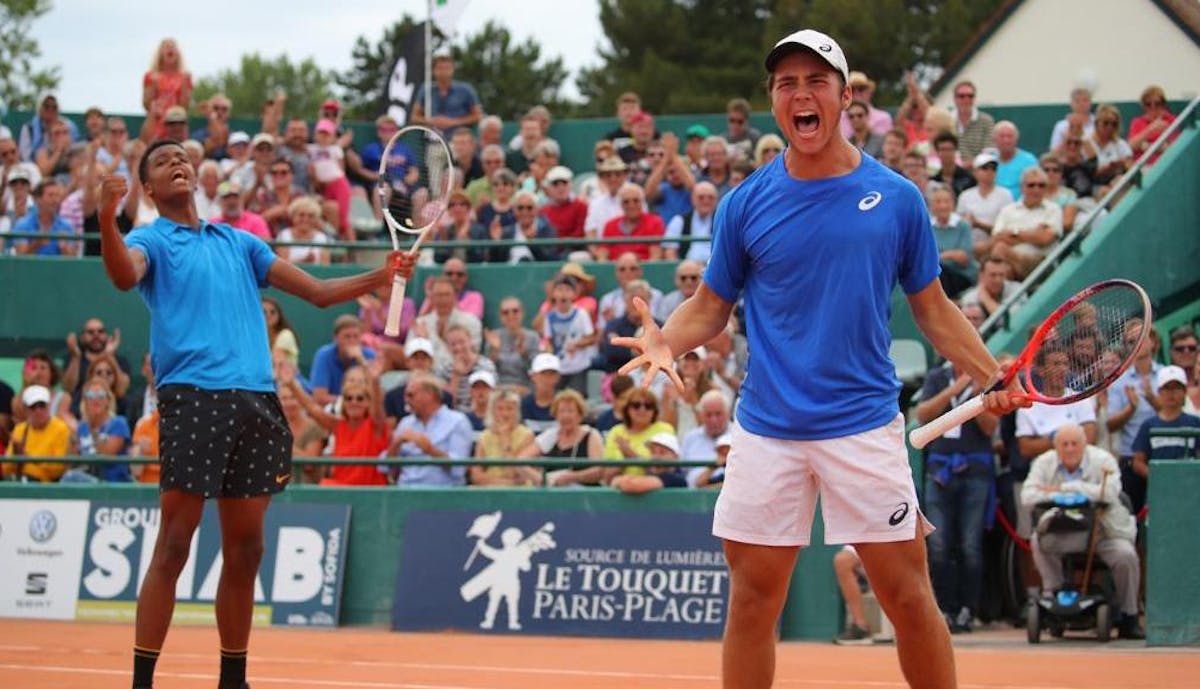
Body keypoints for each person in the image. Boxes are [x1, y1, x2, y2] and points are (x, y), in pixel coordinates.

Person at [614, 29, 1026, 689]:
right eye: (786, 84)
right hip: (767, 428)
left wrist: (991, 374)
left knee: (908, 597)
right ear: (775, 101)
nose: (800, 94)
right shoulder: (745, 203)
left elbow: (935, 309)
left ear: (843, 95)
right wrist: (668, 338)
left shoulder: (897, 199)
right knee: (751, 597)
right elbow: (711, 307)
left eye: (815, 81)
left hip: (862, 424)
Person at [93, 139, 414, 689]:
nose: (178, 164)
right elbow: (124, 274)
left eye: (183, 158)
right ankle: (142, 681)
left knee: (247, 548)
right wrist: (106, 217)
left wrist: (378, 278)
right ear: (147, 189)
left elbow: (315, 291)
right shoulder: (149, 239)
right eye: (163, 162)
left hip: (257, 402)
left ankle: (232, 679)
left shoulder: (240, 242)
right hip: (193, 396)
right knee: (175, 542)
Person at [1021, 423, 1143, 639]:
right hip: (1061, 532)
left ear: (1085, 445)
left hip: (1103, 532)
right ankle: (1053, 594)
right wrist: (1063, 496)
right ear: (1056, 447)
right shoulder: (1043, 462)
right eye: (1064, 444)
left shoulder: (1103, 461)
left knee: (1126, 555)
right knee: (1037, 541)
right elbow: (1028, 496)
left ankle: (1129, 616)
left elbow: (1110, 493)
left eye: (1074, 444)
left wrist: (1067, 488)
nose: (1069, 449)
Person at [915, 336, 998, 635]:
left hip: (974, 470)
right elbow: (922, 415)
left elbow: (990, 428)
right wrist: (957, 388)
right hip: (940, 470)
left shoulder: (984, 378)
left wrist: (978, 398)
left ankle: (967, 610)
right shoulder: (938, 377)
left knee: (970, 545)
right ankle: (944, 608)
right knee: (937, 544)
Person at [282, 359, 390, 486]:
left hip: (369, 490)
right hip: (341, 489)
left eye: (360, 398)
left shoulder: (375, 425)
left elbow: (378, 406)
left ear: (367, 403)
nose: (354, 402)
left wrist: (375, 380)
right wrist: (291, 384)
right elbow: (312, 408)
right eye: (349, 398)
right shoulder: (339, 425)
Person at [1105, 323, 1161, 513]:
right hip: (1130, 463)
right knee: (1131, 524)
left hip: (1162, 459)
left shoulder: (1167, 375)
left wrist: (1152, 398)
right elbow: (1109, 425)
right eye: (1131, 341)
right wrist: (1131, 408)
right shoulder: (1119, 381)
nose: (1137, 343)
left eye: (1142, 337)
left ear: (1153, 341)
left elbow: (1175, 414)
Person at [390, 372, 474, 486]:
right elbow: (386, 467)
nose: (406, 400)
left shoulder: (457, 421)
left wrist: (430, 450)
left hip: (443, 493)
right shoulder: (405, 423)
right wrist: (396, 443)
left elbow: (459, 469)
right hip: (406, 489)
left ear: (429, 395)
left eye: (411, 395)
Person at [517, 388, 605, 487]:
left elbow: (599, 471)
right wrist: (540, 479)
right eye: (561, 411)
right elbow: (521, 460)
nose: (565, 416)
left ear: (580, 415)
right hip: (553, 493)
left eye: (570, 411)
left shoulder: (591, 435)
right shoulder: (551, 435)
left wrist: (572, 477)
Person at [990, 167, 1063, 281]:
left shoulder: (1053, 209)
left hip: (1040, 262)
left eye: (1041, 185)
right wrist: (1034, 234)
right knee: (1003, 265)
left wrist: (1013, 233)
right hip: (1009, 261)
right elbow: (997, 237)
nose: (1036, 189)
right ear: (1022, 187)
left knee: (1001, 250)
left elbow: (1045, 239)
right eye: (1031, 185)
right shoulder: (1008, 210)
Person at [1131, 365, 1200, 485]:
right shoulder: (1148, 425)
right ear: (1159, 392)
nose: (1171, 393)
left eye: (1176, 388)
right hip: (1158, 490)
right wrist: (1157, 476)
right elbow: (1138, 462)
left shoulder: (1195, 423)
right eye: (1166, 388)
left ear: (1184, 391)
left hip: (1189, 486)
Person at [469, 386, 541, 487]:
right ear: (493, 411)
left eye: (509, 408)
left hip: (518, 492)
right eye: (500, 409)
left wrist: (505, 438)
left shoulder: (527, 435)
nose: (505, 413)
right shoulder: (485, 436)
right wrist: (504, 483)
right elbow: (476, 476)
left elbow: (513, 474)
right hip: (489, 488)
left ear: (517, 411)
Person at [3, 385, 71, 482]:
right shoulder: (20, 429)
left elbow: (57, 469)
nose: (38, 411)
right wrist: (16, 456)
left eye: (42, 405)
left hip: (47, 487)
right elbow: (6, 468)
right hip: (22, 481)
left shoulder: (61, 429)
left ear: (48, 406)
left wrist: (26, 459)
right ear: (26, 410)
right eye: (33, 407)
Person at [542, 277, 598, 394]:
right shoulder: (549, 317)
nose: (563, 293)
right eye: (560, 289)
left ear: (574, 294)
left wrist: (577, 345)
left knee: (577, 397)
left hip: (578, 367)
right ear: (553, 294)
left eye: (567, 290)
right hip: (559, 367)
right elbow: (549, 340)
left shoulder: (581, 314)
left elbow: (591, 338)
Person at [73, 377, 133, 483]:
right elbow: (75, 459)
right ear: (85, 402)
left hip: (113, 483)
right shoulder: (82, 427)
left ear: (108, 400)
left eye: (100, 395)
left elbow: (107, 454)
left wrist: (93, 431)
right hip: (87, 480)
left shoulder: (118, 423)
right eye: (90, 396)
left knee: (70, 478)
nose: (96, 399)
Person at [309, 314, 377, 406]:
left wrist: (361, 360)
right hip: (332, 410)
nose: (352, 341)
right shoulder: (324, 355)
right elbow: (320, 397)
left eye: (356, 336)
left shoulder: (369, 355)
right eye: (347, 337)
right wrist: (352, 401)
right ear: (336, 338)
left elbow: (376, 394)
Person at [411, 54, 483, 137]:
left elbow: (477, 116)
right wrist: (430, 121)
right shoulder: (425, 90)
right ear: (433, 70)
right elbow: (414, 117)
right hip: (432, 139)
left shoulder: (466, 90)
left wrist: (453, 122)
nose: (443, 72)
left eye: (447, 68)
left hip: (459, 140)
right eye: (440, 68)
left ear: (453, 70)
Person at [484, 296, 541, 393]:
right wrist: (495, 351)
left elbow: (536, 370)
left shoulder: (533, 337)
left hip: (524, 388)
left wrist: (524, 353)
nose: (510, 315)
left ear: (522, 313)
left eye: (515, 311)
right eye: (505, 312)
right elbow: (488, 370)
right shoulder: (494, 336)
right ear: (500, 317)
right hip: (498, 388)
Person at [928, 186, 975, 299]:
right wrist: (950, 254)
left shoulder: (963, 226)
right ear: (931, 206)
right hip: (936, 274)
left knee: (940, 272)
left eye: (946, 201)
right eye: (938, 202)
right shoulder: (927, 227)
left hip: (961, 275)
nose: (943, 206)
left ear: (953, 204)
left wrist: (940, 256)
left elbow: (963, 257)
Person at [142, 39, 193, 140]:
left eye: (173, 46)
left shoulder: (185, 77)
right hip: (157, 121)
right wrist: (153, 85)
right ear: (160, 53)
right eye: (166, 47)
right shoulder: (151, 76)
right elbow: (146, 104)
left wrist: (184, 85)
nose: (170, 49)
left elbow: (185, 106)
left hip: (176, 120)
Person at [610, 432, 689, 494]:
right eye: (653, 452)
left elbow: (631, 485)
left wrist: (623, 481)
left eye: (662, 452)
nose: (656, 457)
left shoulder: (675, 478)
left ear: (675, 457)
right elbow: (614, 481)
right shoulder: (653, 473)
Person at [947, 80, 994, 164]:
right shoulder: (946, 120)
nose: (966, 99)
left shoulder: (986, 121)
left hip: (979, 171)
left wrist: (970, 164)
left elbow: (988, 152)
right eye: (961, 96)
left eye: (970, 96)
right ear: (954, 99)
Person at [275, 196, 330, 265]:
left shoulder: (322, 237)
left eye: (311, 216)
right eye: (301, 215)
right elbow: (282, 265)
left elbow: (325, 266)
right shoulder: (284, 235)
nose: (305, 219)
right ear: (293, 216)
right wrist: (303, 261)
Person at [1128, 84, 1175, 164]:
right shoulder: (1137, 122)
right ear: (1143, 106)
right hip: (1142, 166)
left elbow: (1176, 148)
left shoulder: (1171, 121)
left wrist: (1145, 146)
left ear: (1163, 104)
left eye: (1157, 103)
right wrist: (1150, 129)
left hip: (1165, 165)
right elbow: (1130, 147)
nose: (1153, 107)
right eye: (1148, 104)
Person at [991, 121, 1038, 199]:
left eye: (1010, 136)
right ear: (994, 139)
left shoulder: (1029, 161)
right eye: (1002, 136)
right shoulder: (988, 161)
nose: (1006, 140)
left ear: (1016, 139)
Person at [521, 353, 561, 434]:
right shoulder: (523, 404)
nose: (547, 379)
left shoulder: (565, 403)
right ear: (533, 376)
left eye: (552, 374)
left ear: (558, 377)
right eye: (543, 374)